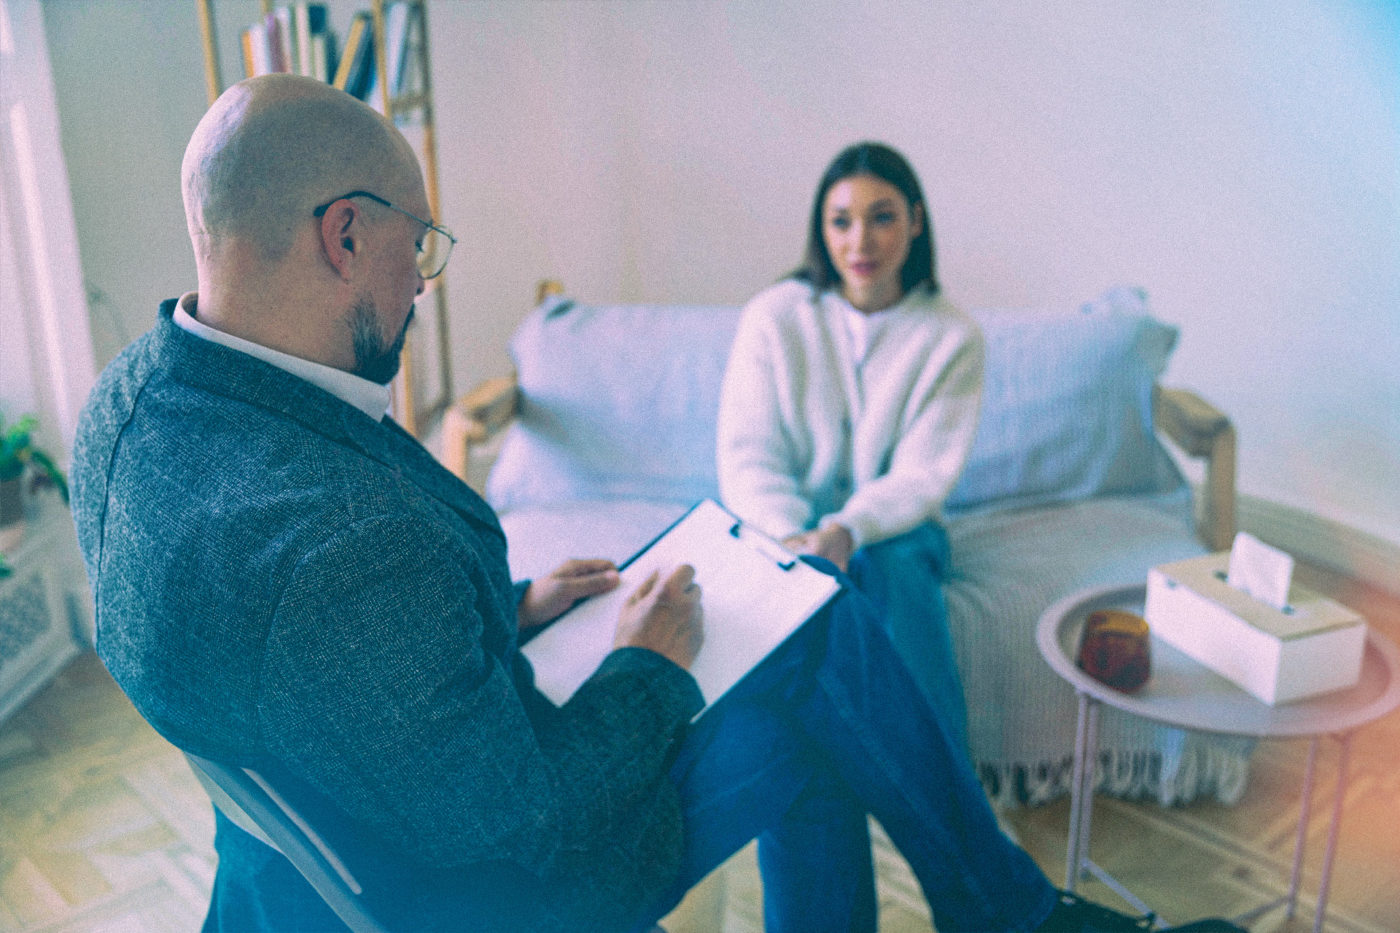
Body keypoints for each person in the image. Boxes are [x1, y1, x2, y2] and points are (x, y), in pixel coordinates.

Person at [71, 75, 1242, 933]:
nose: (422, 283)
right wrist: (645, 666)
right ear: (344, 235)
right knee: (816, 641)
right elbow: (529, 818)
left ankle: (1000, 911)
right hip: (502, 891)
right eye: (415, 246)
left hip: (332, 845)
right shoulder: (343, 548)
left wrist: (505, 609)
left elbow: (326, 658)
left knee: (816, 630)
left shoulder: (131, 408)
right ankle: (1008, 913)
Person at [718, 141, 979, 755]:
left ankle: (947, 791)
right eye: (841, 221)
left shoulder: (952, 337)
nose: (860, 241)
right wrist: (793, 538)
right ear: (821, 229)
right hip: (778, 527)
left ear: (916, 221)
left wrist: (848, 529)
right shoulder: (773, 317)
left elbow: (923, 475)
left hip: (894, 531)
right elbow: (749, 455)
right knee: (780, 605)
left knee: (894, 573)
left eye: (882, 217)